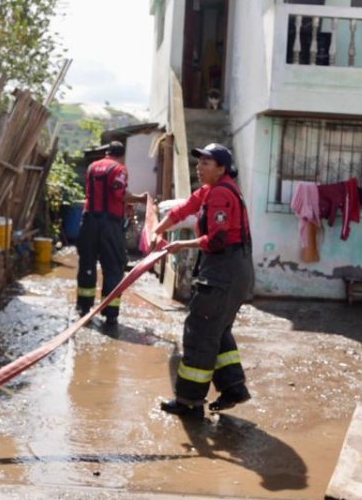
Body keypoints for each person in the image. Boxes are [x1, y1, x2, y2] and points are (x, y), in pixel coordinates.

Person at [152, 143, 254, 419]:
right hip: (234, 270)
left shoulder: (221, 193)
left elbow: (217, 239)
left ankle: (189, 402)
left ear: (221, 168)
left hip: (225, 270)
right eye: (198, 163)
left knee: (199, 331)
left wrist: (180, 244)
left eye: (206, 163)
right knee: (217, 330)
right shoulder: (213, 190)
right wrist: (157, 230)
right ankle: (233, 388)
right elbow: (186, 207)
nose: (199, 167)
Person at [75, 140, 146, 328]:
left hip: (88, 221)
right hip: (109, 225)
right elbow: (118, 192)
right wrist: (140, 198)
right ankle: (110, 314)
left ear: (107, 152)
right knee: (114, 266)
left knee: (87, 263)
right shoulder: (119, 169)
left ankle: (84, 307)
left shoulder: (92, 167)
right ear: (122, 155)